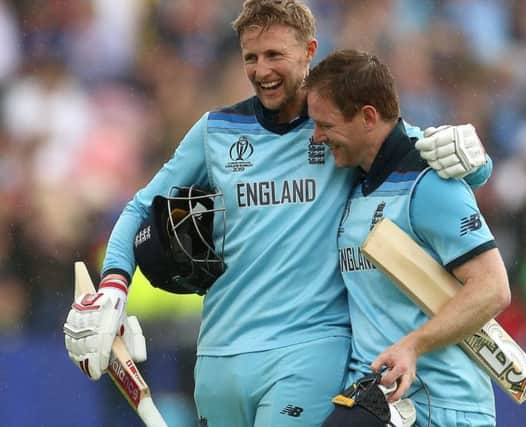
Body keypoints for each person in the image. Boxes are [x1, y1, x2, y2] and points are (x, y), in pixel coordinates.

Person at [63, 1, 492, 426]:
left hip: (309, 352)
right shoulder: (216, 131)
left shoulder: (337, 125)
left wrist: (476, 160)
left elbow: (413, 153)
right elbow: (143, 205)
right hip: (219, 352)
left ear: (309, 51)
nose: (261, 70)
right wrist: (115, 286)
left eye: (275, 55)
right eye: (251, 57)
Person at [304, 49, 511, 427]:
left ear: (368, 116)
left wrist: (414, 345)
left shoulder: (427, 183)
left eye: (325, 125)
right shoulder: (355, 179)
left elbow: (492, 288)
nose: (316, 137)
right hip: (380, 400)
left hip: (442, 406)